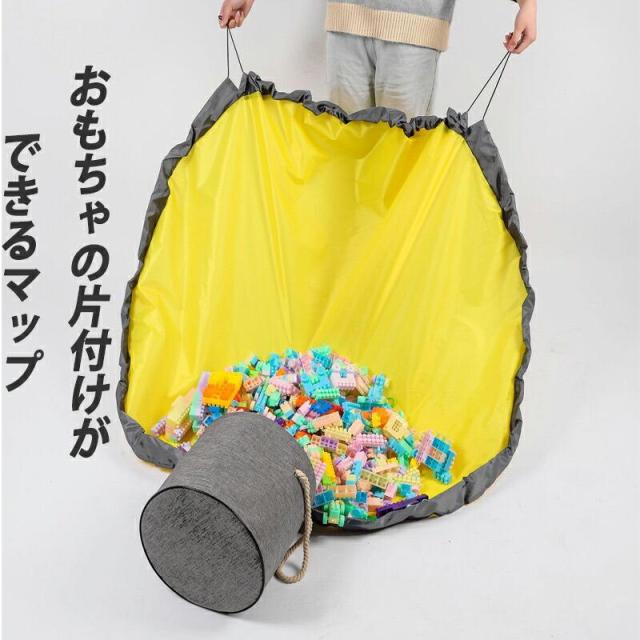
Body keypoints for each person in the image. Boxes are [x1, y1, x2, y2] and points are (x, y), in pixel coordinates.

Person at [218, 0, 537, 118]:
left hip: (414, 30)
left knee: (403, 168)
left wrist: (527, 3)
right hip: (345, 23)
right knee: (345, 160)